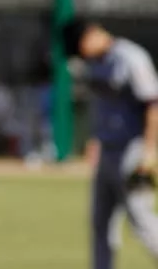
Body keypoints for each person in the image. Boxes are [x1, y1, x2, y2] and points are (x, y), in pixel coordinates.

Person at [61, 18, 158, 269]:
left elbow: (153, 106)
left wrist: (149, 152)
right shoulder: (97, 63)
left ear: (90, 35)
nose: (81, 55)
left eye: (79, 47)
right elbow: (105, 107)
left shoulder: (131, 58)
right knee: (100, 222)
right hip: (107, 152)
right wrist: (95, 140)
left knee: (142, 221)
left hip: (133, 152)